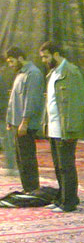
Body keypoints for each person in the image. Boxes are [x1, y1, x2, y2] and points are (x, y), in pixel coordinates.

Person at [39, 41, 84, 212]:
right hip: (54, 128)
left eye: (46, 56)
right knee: (58, 166)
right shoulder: (52, 73)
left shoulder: (71, 72)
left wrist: (71, 129)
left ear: (56, 54)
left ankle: (69, 202)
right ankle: (61, 198)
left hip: (65, 129)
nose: (44, 60)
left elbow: (77, 102)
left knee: (66, 166)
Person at [5, 47, 44, 192]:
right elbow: (14, 99)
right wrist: (10, 120)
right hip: (18, 123)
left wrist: (25, 123)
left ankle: (32, 189)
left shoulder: (33, 74)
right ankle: (27, 188)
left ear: (20, 58)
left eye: (12, 61)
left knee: (27, 158)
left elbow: (31, 100)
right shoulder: (21, 74)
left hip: (25, 125)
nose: (10, 65)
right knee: (21, 158)